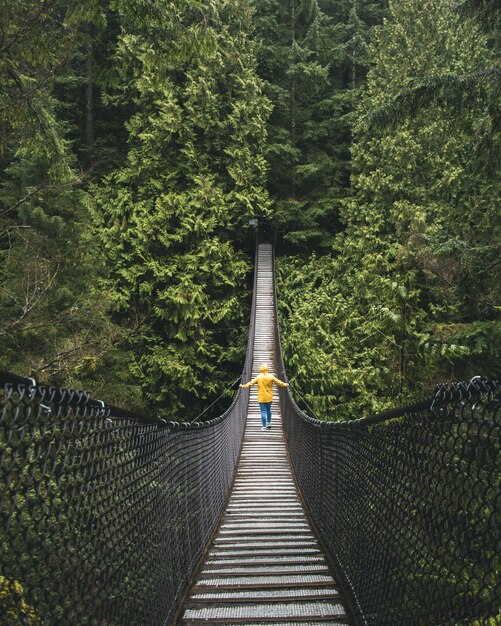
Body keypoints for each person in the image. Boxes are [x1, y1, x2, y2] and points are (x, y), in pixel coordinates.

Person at [240, 363, 288, 431]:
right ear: (267, 369)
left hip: (261, 397)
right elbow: (279, 382)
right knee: (268, 410)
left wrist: (243, 386)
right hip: (269, 397)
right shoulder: (271, 376)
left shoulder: (258, 377)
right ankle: (268, 423)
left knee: (263, 412)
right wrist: (285, 384)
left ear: (261, 370)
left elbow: (250, 383)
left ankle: (264, 427)